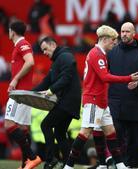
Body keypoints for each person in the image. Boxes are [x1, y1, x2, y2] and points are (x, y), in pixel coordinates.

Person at [63, 25, 138, 169]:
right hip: (93, 99)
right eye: (112, 41)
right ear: (104, 40)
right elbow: (104, 77)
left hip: (101, 101)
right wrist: (128, 78)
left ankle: (119, 164)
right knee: (85, 132)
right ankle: (68, 166)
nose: (114, 43)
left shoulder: (99, 54)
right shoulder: (96, 54)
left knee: (110, 131)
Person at [104, 22, 138, 168]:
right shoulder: (112, 52)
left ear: (134, 33)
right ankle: (119, 163)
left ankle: (130, 164)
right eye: (122, 31)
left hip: (132, 101)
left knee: (133, 137)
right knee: (116, 134)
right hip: (115, 100)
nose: (124, 34)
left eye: (127, 32)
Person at [33, 36, 81, 169]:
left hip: (67, 102)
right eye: (42, 50)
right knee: (60, 132)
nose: (44, 52)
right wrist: (30, 93)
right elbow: (46, 81)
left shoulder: (65, 56)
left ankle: (50, 159)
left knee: (45, 125)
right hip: (68, 103)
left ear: (53, 45)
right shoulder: (57, 61)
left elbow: (67, 77)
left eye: (45, 49)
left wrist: (51, 90)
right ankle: (67, 164)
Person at [4, 21, 41, 169]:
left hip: (19, 93)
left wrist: (15, 79)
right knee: (24, 128)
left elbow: (30, 62)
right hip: (24, 92)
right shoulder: (20, 45)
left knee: (9, 124)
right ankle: (25, 163)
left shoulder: (22, 44)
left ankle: (32, 157)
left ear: (12, 31)